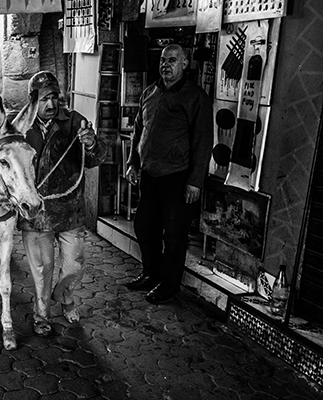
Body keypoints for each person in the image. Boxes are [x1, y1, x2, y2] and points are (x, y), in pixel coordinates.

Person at [19, 70, 109, 337]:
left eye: (55, 97)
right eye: (45, 99)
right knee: (41, 269)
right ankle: (42, 314)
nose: (51, 104)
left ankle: (65, 296)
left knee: (73, 265)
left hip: (69, 210)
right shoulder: (21, 127)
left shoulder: (75, 122)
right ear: (33, 100)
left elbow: (96, 158)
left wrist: (91, 143)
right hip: (35, 215)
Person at [125, 44, 213, 304]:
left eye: (172, 60)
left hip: (178, 176)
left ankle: (169, 284)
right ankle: (151, 274)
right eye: (163, 60)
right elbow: (138, 131)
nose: (165, 65)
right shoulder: (150, 92)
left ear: (185, 64)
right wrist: (133, 162)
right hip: (150, 174)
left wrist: (195, 181)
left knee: (174, 234)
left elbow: (203, 142)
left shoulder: (195, 98)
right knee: (144, 226)